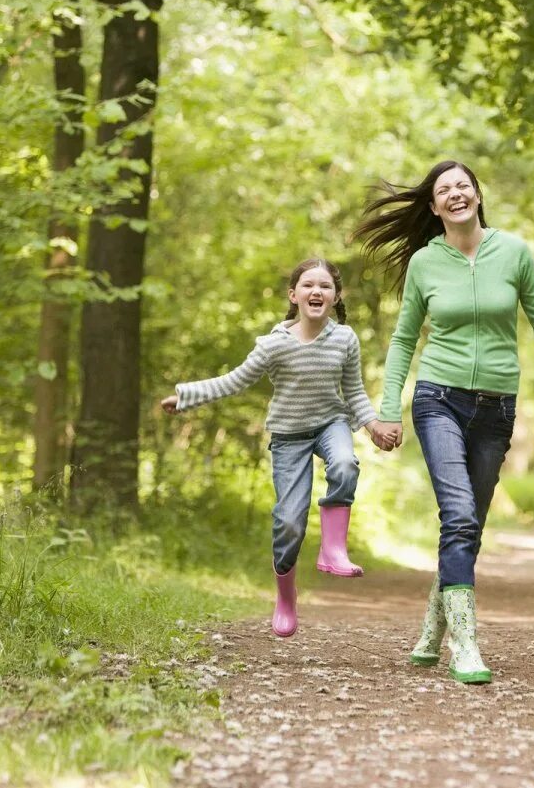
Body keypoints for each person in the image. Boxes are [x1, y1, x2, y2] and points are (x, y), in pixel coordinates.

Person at [353, 160, 534, 684]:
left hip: (497, 407)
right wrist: (387, 409)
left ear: (477, 195)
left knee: (468, 526)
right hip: (437, 398)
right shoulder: (426, 262)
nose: (454, 195)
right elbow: (404, 339)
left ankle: (432, 626)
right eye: (443, 190)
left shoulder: (513, 252)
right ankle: (465, 646)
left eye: (462, 186)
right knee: (461, 515)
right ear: (433, 206)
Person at [160, 259, 398, 638]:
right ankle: (286, 597)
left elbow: (353, 392)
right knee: (289, 522)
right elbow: (233, 381)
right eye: (308, 285)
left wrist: (372, 427)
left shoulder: (345, 339)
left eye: (325, 286)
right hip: (288, 435)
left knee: (345, 464)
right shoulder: (274, 345)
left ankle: (332, 550)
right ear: (294, 295)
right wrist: (185, 397)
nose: (316, 291)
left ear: (335, 297)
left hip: (330, 424)